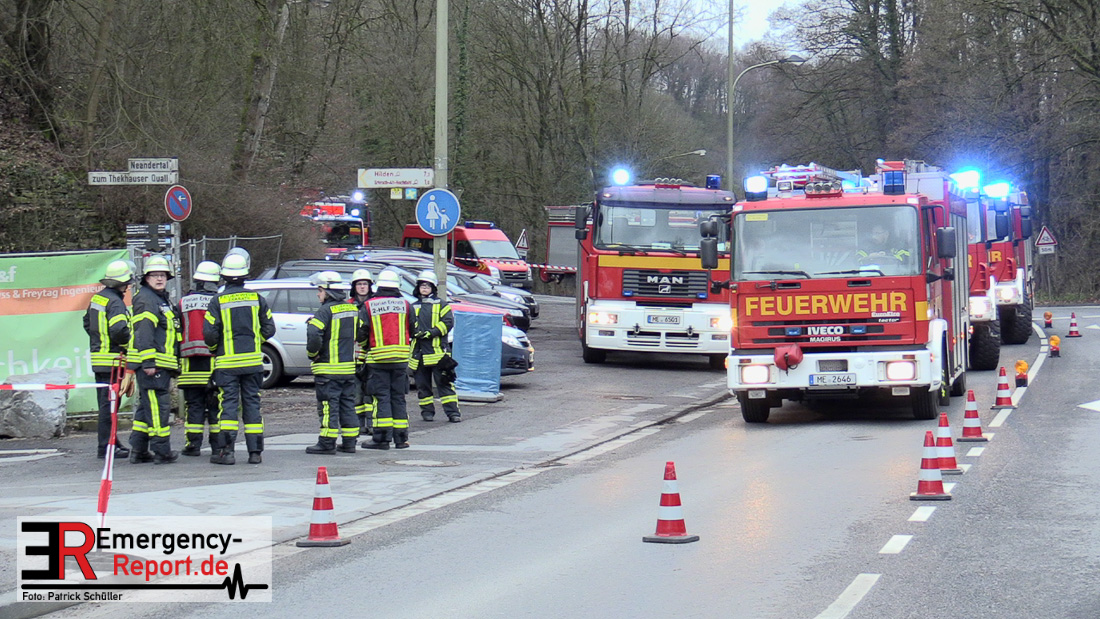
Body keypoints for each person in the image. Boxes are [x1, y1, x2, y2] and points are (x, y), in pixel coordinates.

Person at [203, 251, 276, 465]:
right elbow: (269, 329)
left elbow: (209, 334)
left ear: (224, 277)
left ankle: (227, 453)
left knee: (229, 406)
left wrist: (217, 348)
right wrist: (254, 341)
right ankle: (255, 453)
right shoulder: (257, 299)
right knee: (252, 404)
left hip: (227, 364)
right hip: (253, 363)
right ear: (245, 275)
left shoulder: (217, 301)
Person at [127, 255, 180, 465]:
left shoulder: (159, 299)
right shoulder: (147, 299)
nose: (159, 278)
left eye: (163, 275)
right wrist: (148, 361)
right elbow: (144, 331)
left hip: (159, 363)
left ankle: (139, 450)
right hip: (153, 364)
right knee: (159, 408)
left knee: (146, 407)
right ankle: (162, 450)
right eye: (155, 275)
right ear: (146, 278)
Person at [305, 271, 361, 454]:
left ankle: (327, 443)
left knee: (328, 406)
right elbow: (360, 333)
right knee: (348, 405)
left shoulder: (324, 311)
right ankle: (350, 443)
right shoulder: (352, 309)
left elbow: (314, 334)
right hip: (348, 369)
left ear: (327, 291)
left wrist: (312, 354)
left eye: (320, 290)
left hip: (328, 369)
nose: (318, 294)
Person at [358, 269, 415, 450]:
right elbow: (413, 330)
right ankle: (401, 439)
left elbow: (361, 333)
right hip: (400, 360)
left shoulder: (369, 305)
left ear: (378, 286)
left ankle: (381, 439)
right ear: (397, 286)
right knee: (398, 398)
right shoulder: (406, 305)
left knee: (381, 398)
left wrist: (366, 347)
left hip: (378, 360)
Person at [83, 259, 133, 460]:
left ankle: (112, 442)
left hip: (100, 360)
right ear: (123, 283)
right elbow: (119, 330)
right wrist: (128, 345)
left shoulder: (98, 298)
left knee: (107, 405)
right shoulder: (115, 302)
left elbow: (87, 323)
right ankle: (106, 447)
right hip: (113, 361)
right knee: (110, 407)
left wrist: (99, 340)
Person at [178, 261, 221, 456]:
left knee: (193, 405)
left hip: (189, 362)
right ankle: (217, 445)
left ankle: (193, 445)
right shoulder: (218, 301)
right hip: (213, 361)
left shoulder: (183, 302)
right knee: (215, 406)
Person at [409, 269, 460, 423]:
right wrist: (415, 332)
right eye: (422, 286)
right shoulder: (413, 306)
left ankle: (453, 413)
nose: (424, 288)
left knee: (445, 384)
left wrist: (431, 333)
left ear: (433, 288)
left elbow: (448, 323)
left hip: (438, 353)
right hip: (418, 354)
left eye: (427, 286)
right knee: (422, 386)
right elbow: (408, 325)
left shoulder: (442, 305)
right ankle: (427, 412)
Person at [349, 268, 375, 436]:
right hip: (353, 355)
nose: (362, 287)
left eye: (365, 284)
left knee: (370, 392)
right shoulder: (348, 305)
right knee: (356, 392)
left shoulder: (375, 304)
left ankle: (371, 423)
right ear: (354, 287)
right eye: (359, 284)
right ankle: (359, 424)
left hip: (371, 354)